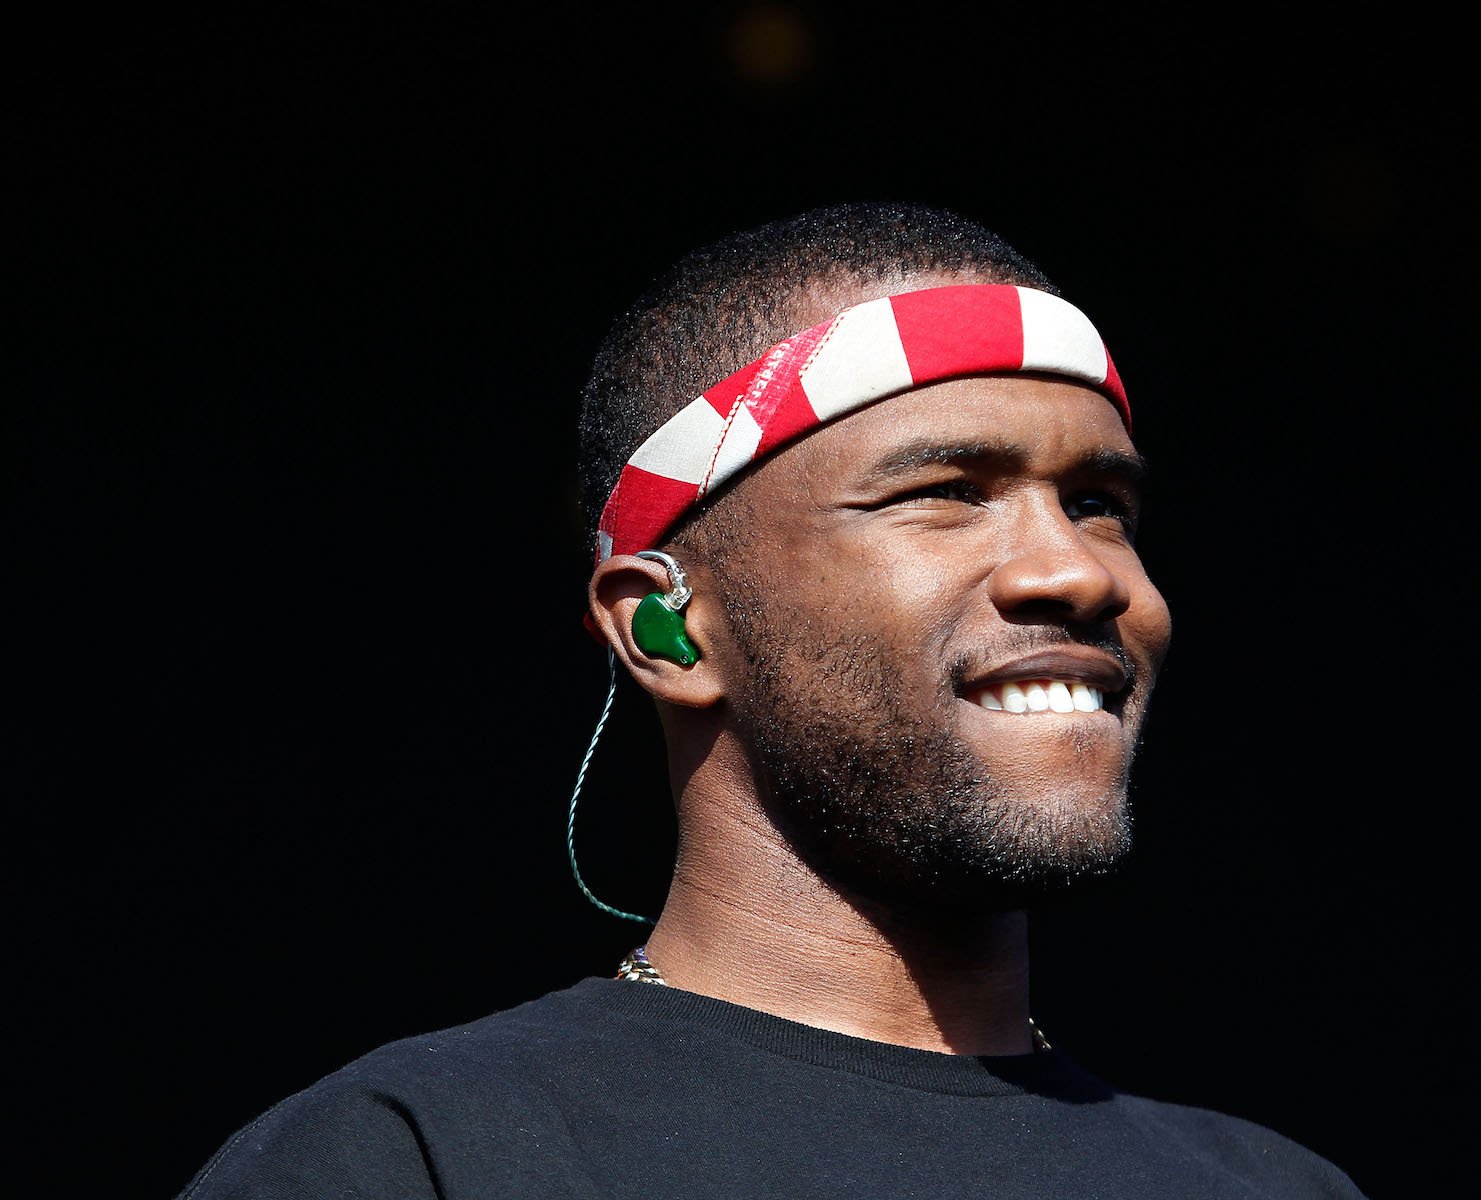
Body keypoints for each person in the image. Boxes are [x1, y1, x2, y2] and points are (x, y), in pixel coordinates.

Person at [179, 201, 1369, 1198]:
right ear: (666, 624)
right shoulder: (418, 1160)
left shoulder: (1277, 1187)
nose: (1078, 571)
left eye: (1101, 502)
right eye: (946, 491)